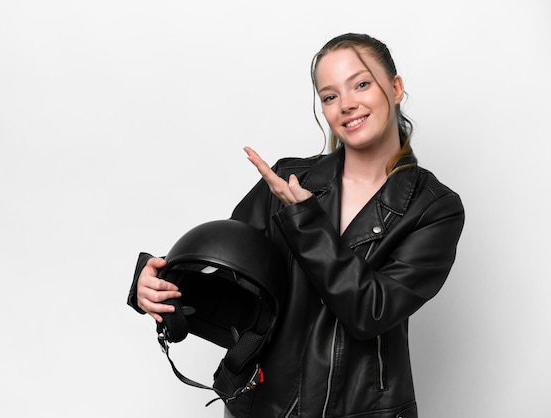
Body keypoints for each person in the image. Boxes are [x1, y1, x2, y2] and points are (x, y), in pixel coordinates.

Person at [128, 33, 465, 418]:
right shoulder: (287, 180)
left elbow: (369, 311)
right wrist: (157, 283)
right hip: (262, 405)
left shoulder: (433, 207)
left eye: (361, 84)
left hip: (364, 411)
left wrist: (305, 219)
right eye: (330, 95)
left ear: (395, 87)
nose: (347, 104)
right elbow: (226, 282)